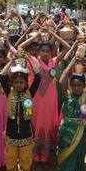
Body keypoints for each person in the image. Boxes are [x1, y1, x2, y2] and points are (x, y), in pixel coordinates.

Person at [0, 52, 41, 171]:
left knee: (26, 158)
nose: (18, 85)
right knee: (10, 159)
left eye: (21, 82)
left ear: (26, 83)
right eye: (16, 82)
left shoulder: (30, 92)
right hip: (11, 133)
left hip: (26, 133)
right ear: (12, 83)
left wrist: (28, 58)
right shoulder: (9, 92)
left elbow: (38, 76)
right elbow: (2, 76)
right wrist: (11, 60)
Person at [31, 30, 70, 163]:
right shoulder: (35, 62)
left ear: (51, 52)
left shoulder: (54, 61)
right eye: (43, 51)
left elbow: (67, 48)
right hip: (38, 100)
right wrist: (36, 36)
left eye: (48, 51)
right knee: (37, 126)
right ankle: (35, 156)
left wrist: (55, 35)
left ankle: (45, 156)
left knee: (48, 127)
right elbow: (19, 48)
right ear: (38, 52)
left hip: (51, 101)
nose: (45, 53)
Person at [56, 55, 86, 171]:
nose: (76, 88)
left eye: (79, 85)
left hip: (80, 131)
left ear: (83, 86)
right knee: (65, 155)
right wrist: (72, 61)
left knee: (77, 155)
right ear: (71, 86)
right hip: (66, 131)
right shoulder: (67, 96)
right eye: (74, 85)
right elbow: (61, 80)